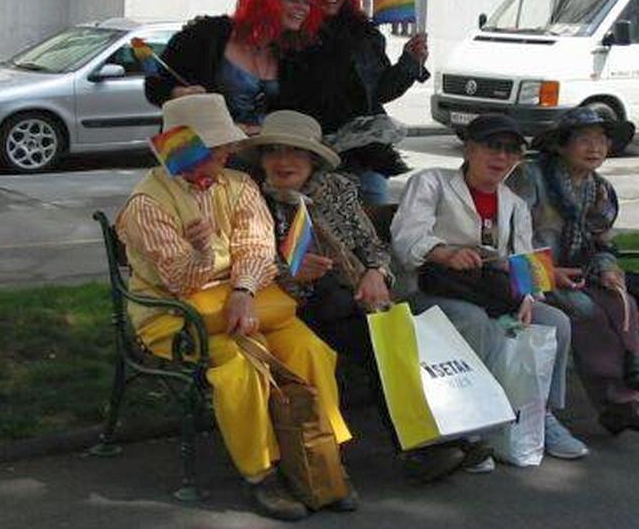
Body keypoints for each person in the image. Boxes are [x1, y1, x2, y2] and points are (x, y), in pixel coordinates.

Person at [115, 93, 353, 521]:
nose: (229, 152)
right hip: (176, 316)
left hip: (250, 300)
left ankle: (322, 459)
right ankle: (261, 472)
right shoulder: (147, 204)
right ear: (191, 149)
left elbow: (257, 246)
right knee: (240, 369)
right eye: (218, 146)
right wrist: (203, 253)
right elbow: (179, 281)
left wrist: (243, 290)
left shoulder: (238, 185)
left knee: (310, 350)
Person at [246, 109, 471, 483]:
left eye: (296, 152)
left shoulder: (337, 190)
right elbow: (245, 261)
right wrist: (288, 272)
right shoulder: (251, 199)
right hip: (291, 308)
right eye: (274, 152)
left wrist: (375, 273)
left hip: (351, 300)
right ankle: (422, 446)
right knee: (380, 339)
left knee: (392, 334)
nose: (283, 162)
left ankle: (441, 436)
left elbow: (373, 246)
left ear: (313, 159)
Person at [390, 113, 589, 468]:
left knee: (553, 321)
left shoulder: (513, 203)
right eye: (492, 147)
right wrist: (444, 253)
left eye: (511, 150)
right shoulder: (432, 182)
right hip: (432, 290)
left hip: (491, 292)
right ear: (469, 149)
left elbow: (525, 259)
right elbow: (407, 237)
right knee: (474, 321)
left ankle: (539, 413)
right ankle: (471, 428)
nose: (501, 157)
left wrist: (527, 297)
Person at [506, 106, 639, 434]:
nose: (595, 148)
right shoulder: (530, 177)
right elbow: (510, 236)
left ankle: (632, 395)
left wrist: (608, 269)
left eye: (601, 141)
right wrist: (549, 273)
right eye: (585, 140)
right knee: (584, 309)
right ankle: (614, 401)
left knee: (623, 303)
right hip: (526, 273)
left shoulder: (599, 188)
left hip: (577, 273)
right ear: (561, 145)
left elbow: (601, 242)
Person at [280, 0, 430, 204]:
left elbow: (381, 91)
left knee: (373, 209)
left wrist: (409, 62)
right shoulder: (292, 34)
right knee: (316, 216)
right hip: (309, 148)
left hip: (363, 150)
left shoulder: (364, 34)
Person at [144, 0, 321, 134]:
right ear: (264, 0)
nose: (303, 8)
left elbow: (296, 110)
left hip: (259, 149)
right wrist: (177, 93)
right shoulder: (206, 35)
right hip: (198, 147)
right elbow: (154, 85)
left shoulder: (293, 53)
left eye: (307, 2)